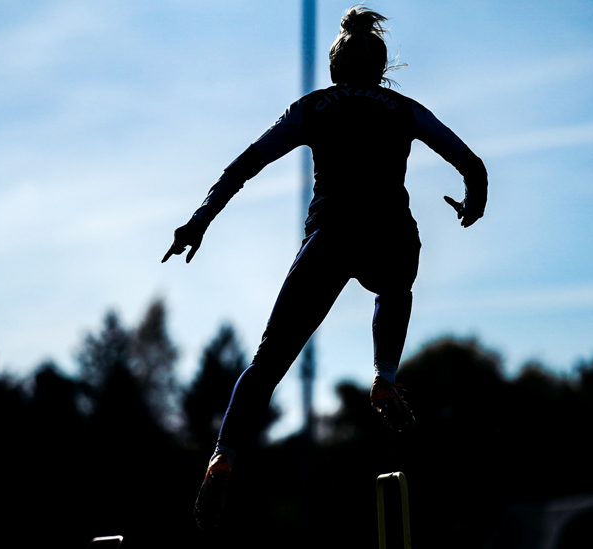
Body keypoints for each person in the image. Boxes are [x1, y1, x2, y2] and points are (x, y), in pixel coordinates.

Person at [162, 6, 487, 531]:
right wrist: (475, 199)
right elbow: (471, 163)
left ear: (335, 70)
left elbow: (244, 165)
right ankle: (385, 375)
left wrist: (199, 220)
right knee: (397, 280)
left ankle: (223, 455)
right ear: (380, 69)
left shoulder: (312, 108)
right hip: (388, 233)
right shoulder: (402, 108)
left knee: (266, 366)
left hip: (330, 239)